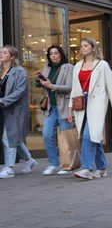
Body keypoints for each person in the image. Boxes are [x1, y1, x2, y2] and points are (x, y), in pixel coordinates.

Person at [68, 37, 112, 179]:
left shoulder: (102, 65)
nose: (82, 48)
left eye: (85, 45)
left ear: (93, 47)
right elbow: (74, 89)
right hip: (81, 103)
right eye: (81, 46)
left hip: (96, 102)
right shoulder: (77, 66)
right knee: (93, 136)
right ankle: (102, 167)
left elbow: (111, 86)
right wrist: (70, 109)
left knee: (88, 134)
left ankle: (86, 168)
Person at [35, 45, 74, 175]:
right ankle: (54, 163)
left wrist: (52, 86)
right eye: (51, 54)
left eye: (56, 53)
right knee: (47, 135)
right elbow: (42, 84)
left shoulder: (69, 68)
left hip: (64, 106)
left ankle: (67, 165)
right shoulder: (47, 68)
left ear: (61, 55)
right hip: (51, 107)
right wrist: (38, 79)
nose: (53, 56)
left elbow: (69, 87)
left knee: (65, 137)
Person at [0, 45, 38, 178]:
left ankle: (9, 168)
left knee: (7, 138)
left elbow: (19, 91)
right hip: (3, 110)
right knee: (13, 136)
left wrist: (3, 100)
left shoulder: (18, 71)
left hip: (14, 109)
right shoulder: (0, 71)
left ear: (12, 56)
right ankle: (29, 160)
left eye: (4, 52)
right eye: (1, 52)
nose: (1, 54)